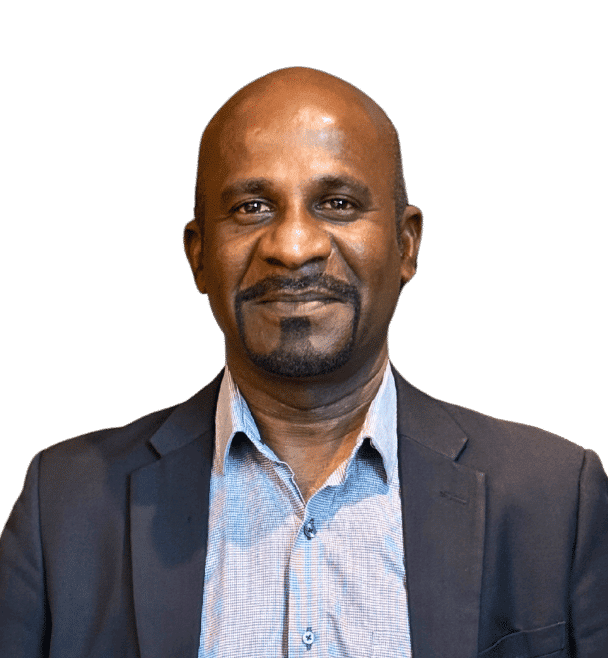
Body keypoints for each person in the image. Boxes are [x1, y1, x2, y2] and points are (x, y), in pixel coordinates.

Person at [1, 66, 606, 658]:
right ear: (198, 255)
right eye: (252, 208)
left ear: (407, 244)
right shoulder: (66, 505)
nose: (293, 248)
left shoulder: (557, 499)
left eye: (338, 203)